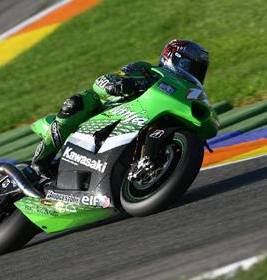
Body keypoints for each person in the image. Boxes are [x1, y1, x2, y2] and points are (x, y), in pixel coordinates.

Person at [31, 39, 210, 177]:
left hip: (142, 122)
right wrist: (118, 84)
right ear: (174, 58)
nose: (195, 72)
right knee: (77, 103)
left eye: (199, 70)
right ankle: (40, 163)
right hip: (108, 116)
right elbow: (102, 82)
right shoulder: (146, 70)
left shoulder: (185, 90)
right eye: (191, 66)